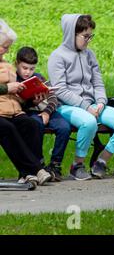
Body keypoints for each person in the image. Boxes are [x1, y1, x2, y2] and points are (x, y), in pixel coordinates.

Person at [48, 14, 114, 180]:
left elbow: (98, 83)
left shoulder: (90, 55)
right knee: (88, 122)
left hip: (93, 105)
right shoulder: (57, 56)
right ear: (71, 34)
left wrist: (101, 102)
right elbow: (60, 90)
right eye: (85, 36)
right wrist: (86, 106)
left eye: (91, 36)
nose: (89, 40)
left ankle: (102, 160)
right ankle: (77, 165)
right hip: (67, 107)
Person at [0, 19, 52, 188]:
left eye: (7, 47)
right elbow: (7, 89)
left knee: (31, 125)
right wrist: (7, 87)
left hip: (14, 110)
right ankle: (36, 169)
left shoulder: (6, 65)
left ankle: (26, 174)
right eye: (4, 46)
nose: (6, 50)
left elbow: (16, 96)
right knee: (7, 129)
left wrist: (32, 98)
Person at [15, 46, 71, 181]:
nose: (28, 72)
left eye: (31, 68)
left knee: (64, 127)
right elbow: (16, 105)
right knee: (36, 125)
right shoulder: (14, 80)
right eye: (25, 68)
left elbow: (53, 98)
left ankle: (55, 165)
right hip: (29, 113)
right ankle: (38, 163)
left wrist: (46, 112)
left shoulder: (38, 78)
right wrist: (32, 103)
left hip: (47, 112)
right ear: (16, 64)